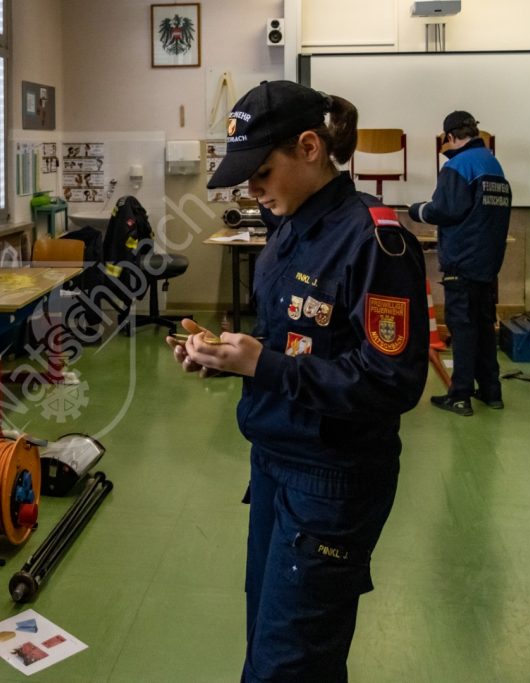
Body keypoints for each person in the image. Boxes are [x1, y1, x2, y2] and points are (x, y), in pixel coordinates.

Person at [167, 80, 428, 681]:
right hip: (274, 459)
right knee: (270, 644)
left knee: (289, 666)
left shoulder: (375, 241)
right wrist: (221, 356)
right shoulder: (285, 231)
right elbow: (287, 343)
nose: (252, 190)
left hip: (332, 479)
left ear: (309, 147)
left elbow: (392, 381)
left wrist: (264, 364)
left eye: (261, 172)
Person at [409, 111, 512, 416]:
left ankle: (460, 396)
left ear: (450, 137)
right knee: (482, 326)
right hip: (488, 262)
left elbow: (446, 210)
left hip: (462, 262)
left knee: (463, 328)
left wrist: (417, 210)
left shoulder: (457, 166)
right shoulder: (493, 164)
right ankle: (491, 391)